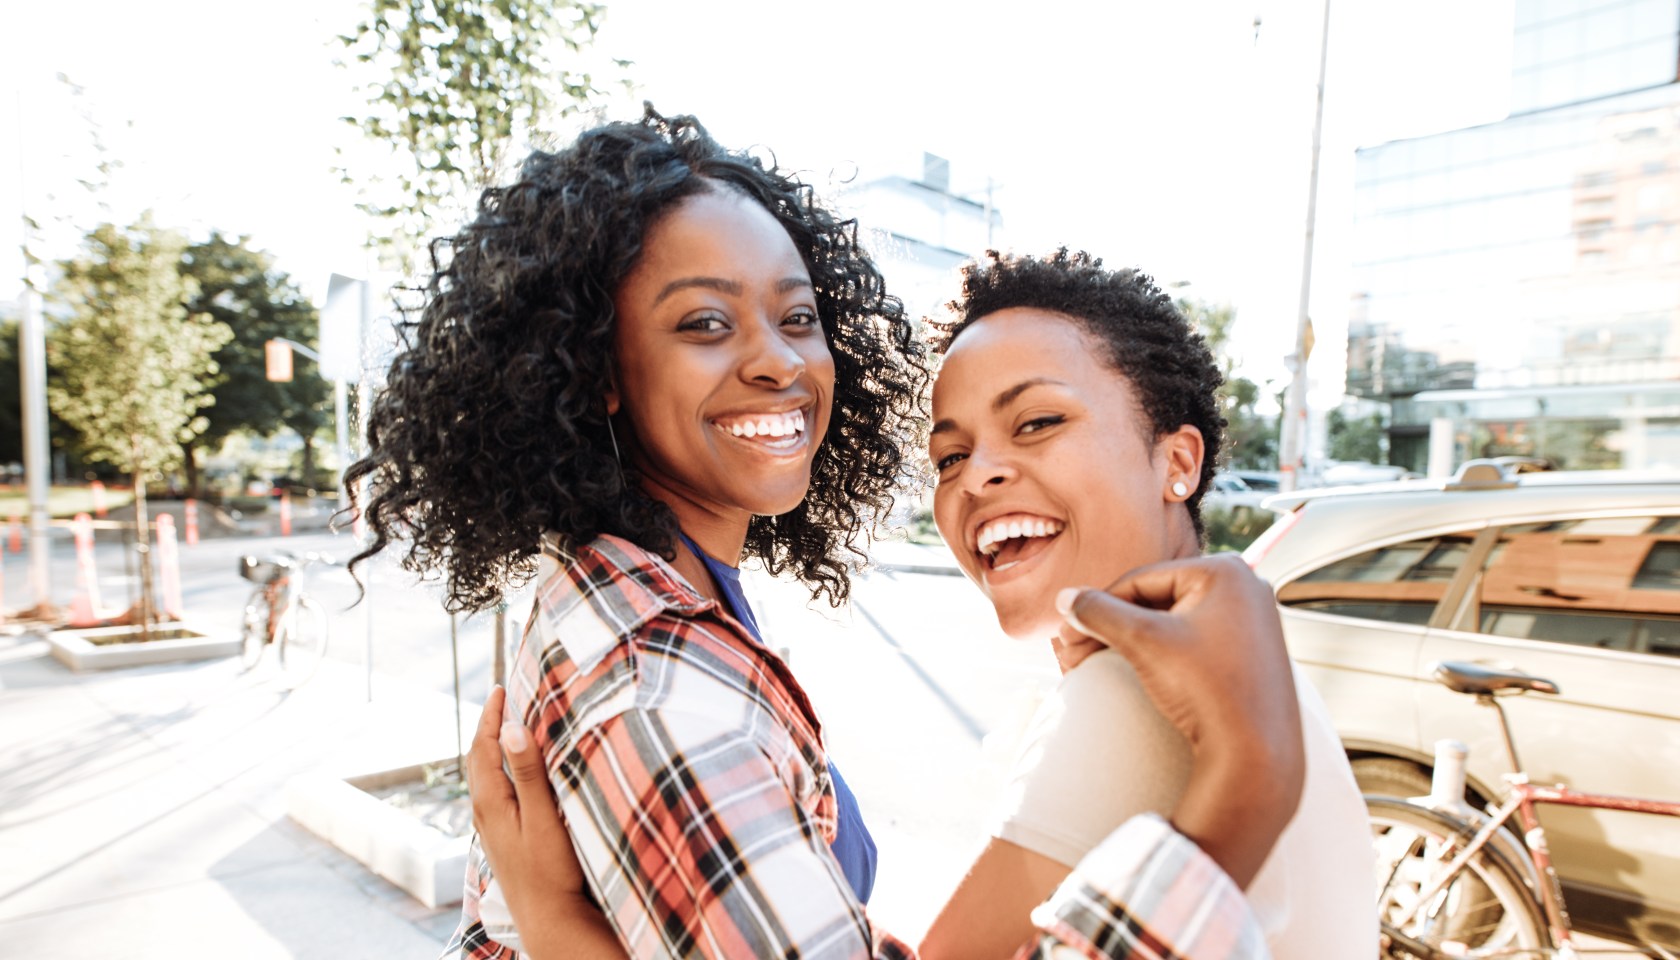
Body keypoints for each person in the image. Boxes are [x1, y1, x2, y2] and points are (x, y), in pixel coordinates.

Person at [351, 107, 1305, 960]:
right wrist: (1246, 790)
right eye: (706, 322)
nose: (778, 360)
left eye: (799, 316)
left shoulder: (643, 594)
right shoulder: (660, 686)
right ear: (597, 369)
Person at [917, 249, 1374, 959]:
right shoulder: (1248, 681)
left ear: (1179, 463)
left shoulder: (1127, 701)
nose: (977, 476)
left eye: (1036, 422)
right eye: (949, 457)